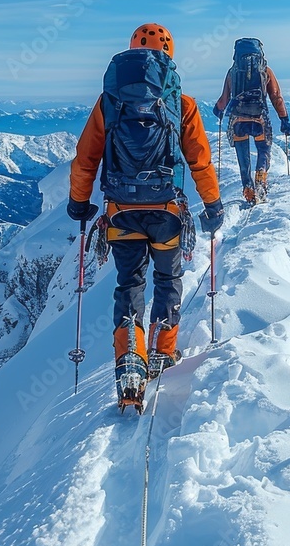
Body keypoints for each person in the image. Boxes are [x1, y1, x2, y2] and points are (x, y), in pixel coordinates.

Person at [67, 23, 225, 408]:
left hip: (120, 214)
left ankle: (129, 358)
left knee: (129, 284)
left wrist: (78, 202)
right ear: (169, 57)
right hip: (167, 212)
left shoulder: (108, 102)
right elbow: (199, 160)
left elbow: (86, 157)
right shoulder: (181, 104)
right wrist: (213, 205)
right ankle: (164, 349)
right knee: (168, 280)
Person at [212, 38, 290, 204]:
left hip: (237, 120)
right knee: (263, 151)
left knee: (243, 157)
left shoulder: (232, 72)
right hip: (260, 119)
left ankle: (248, 189)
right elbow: (276, 97)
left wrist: (218, 110)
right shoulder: (266, 71)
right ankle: (261, 182)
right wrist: (284, 119)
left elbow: (224, 99)